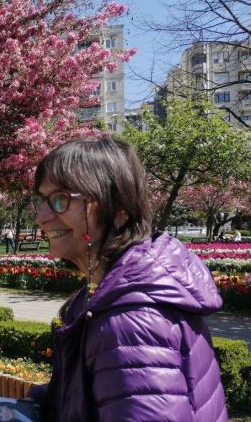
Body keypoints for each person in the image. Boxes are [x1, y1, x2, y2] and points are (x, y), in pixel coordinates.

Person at [28, 137, 227, 421]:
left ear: (118, 210)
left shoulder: (131, 319)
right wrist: (47, 401)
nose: (41, 217)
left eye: (61, 199)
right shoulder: (106, 294)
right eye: (43, 200)